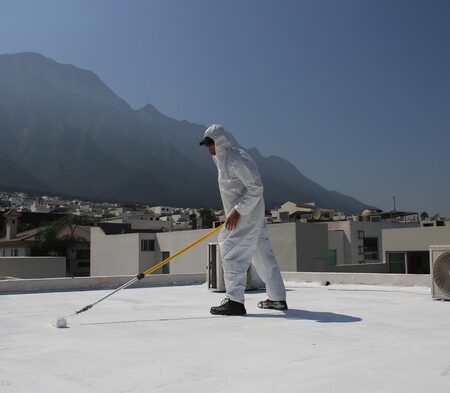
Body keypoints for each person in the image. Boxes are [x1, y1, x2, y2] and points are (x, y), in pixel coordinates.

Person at [199, 124, 287, 315]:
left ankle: (235, 302)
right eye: (207, 145)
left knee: (231, 251)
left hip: (245, 215)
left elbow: (256, 187)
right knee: (262, 254)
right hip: (250, 214)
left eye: (211, 144)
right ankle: (277, 298)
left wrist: (237, 211)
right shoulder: (221, 160)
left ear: (221, 142)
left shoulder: (236, 159)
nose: (209, 148)